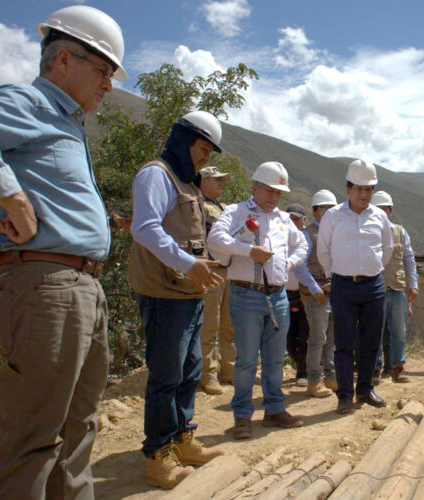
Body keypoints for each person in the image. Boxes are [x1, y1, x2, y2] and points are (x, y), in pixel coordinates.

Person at [0, 6, 126, 498]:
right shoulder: (27, 102)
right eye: (102, 69)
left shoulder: (70, 124)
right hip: (44, 287)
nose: (109, 84)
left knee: (79, 431)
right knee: (31, 440)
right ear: (64, 59)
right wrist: (12, 197)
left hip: (79, 289)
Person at [130, 110, 227, 488]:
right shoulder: (156, 174)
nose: (206, 158)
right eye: (204, 148)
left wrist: (200, 264)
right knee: (165, 376)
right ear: (184, 141)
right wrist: (191, 264)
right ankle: (158, 456)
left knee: (189, 371)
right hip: (164, 294)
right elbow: (145, 228)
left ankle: (182, 439)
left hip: (187, 292)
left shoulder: (187, 182)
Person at [207, 161, 308, 439]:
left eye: (278, 192)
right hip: (246, 293)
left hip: (278, 296)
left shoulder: (284, 220)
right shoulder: (235, 211)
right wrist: (248, 250)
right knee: (247, 360)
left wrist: (289, 264)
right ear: (256, 188)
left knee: (275, 359)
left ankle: (274, 408)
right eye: (269, 190)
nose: (274, 197)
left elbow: (302, 245)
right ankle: (242, 414)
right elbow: (215, 239)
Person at [317, 159, 393, 414]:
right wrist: (336, 276)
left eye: (369, 189)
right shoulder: (333, 216)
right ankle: (345, 394)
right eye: (359, 189)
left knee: (371, 341)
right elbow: (323, 250)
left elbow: (387, 249)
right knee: (344, 343)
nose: (364, 194)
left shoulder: (380, 217)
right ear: (348, 189)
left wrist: (371, 271)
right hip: (343, 287)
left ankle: (365, 389)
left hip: (374, 287)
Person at [293, 190, 339, 398]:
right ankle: (313, 381)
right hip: (317, 292)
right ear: (315, 211)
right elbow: (299, 265)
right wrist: (313, 288)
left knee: (330, 336)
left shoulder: (336, 232)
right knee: (317, 337)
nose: (328, 212)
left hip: (334, 289)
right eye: (324, 208)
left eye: (331, 208)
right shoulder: (307, 234)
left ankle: (330, 376)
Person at [370, 190, 419, 384]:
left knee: (399, 331)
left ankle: (398, 368)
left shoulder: (400, 231)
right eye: (378, 209)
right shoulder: (368, 233)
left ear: (390, 211)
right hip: (375, 289)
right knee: (375, 331)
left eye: (385, 209)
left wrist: (413, 284)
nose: (382, 212)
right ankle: (375, 369)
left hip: (398, 290)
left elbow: (409, 259)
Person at [197, 166, 236, 395]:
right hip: (210, 270)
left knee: (229, 326)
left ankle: (230, 371)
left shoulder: (223, 208)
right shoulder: (195, 205)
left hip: (229, 270)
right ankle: (208, 373)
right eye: (217, 180)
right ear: (203, 180)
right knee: (210, 324)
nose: (222, 183)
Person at [284, 203, 310, 388]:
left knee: (305, 333)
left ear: (304, 220)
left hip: (305, 293)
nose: (294, 221)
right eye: (290, 218)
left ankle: (304, 371)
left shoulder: (308, 239)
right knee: (288, 335)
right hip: (282, 293)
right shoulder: (277, 238)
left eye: (297, 218)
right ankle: (299, 363)